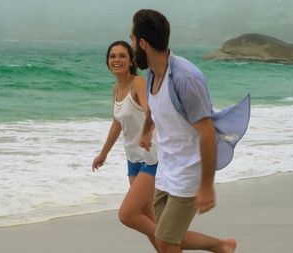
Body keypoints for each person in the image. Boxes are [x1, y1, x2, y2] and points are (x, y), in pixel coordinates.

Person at [132, 9, 237, 253]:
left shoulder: (186, 79)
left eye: (131, 39)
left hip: (190, 171)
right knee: (163, 236)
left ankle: (221, 246)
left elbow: (207, 132)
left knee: (167, 243)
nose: (131, 44)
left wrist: (207, 186)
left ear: (142, 43)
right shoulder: (151, 74)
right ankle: (221, 246)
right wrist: (147, 130)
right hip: (167, 167)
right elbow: (155, 106)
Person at [92, 40, 159, 248]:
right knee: (148, 217)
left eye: (122, 55)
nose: (117, 60)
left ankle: (175, 240)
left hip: (150, 157)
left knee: (130, 214)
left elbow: (152, 112)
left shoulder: (137, 83)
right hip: (133, 160)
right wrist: (103, 154)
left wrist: (146, 133)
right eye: (112, 56)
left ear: (131, 61)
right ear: (107, 62)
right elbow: (117, 122)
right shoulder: (116, 89)